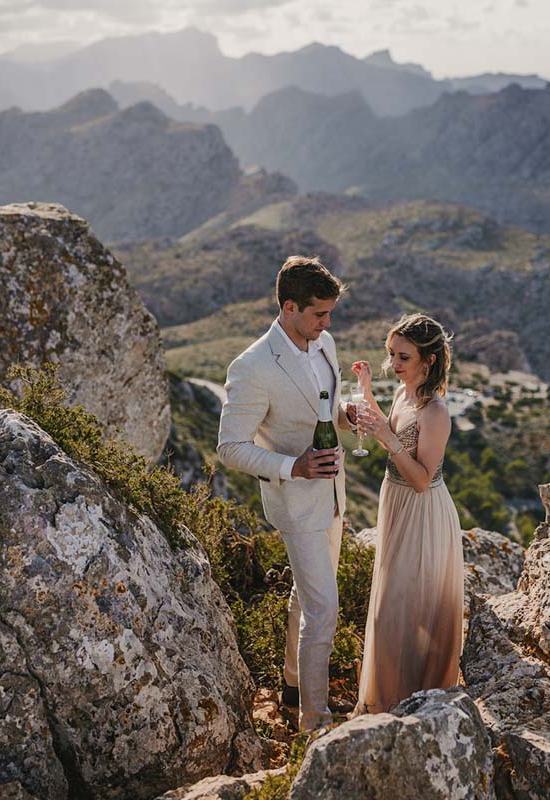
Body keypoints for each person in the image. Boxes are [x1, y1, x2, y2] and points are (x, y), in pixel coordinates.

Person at [216, 255, 354, 731]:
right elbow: (230, 447)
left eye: (330, 314)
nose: (327, 323)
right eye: (319, 313)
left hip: (335, 495)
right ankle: (313, 726)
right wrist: (292, 466)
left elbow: (323, 408)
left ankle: (293, 690)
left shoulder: (326, 343)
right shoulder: (252, 366)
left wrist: (345, 415)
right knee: (323, 609)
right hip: (296, 503)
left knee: (306, 595)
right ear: (290, 307)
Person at [351, 312, 464, 715]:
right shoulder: (402, 394)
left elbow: (421, 478)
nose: (393, 365)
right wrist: (365, 393)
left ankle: (406, 703)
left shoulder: (436, 412)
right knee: (391, 607)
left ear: (428, 360)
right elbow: (387, 426)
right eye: (391, 355)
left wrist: (385, 439)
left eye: (403, 357)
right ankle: (384, 700)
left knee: (400, 611)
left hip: (421, 512)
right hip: (394, 502)